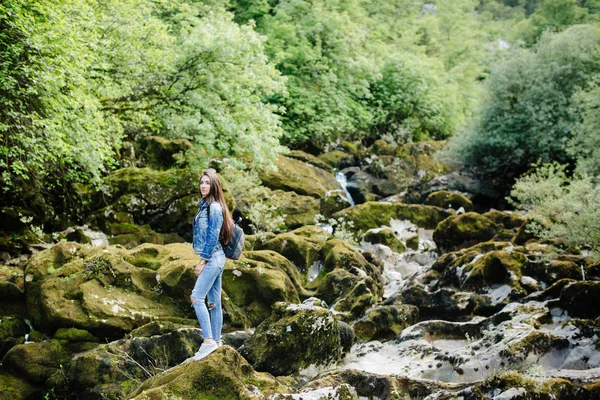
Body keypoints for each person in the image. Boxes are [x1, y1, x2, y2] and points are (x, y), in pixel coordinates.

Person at [188, 169, 234, 361]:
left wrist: (202, 262)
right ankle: (216, 341)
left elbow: (213, 235)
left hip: (213, 258)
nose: (203, 186)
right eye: (202, 183)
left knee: (196, 298)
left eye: (207, 182)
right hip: (217, 258)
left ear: (214, 185)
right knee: (214, 304)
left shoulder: (214, 207)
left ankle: (208, 342)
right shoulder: (205, 205)